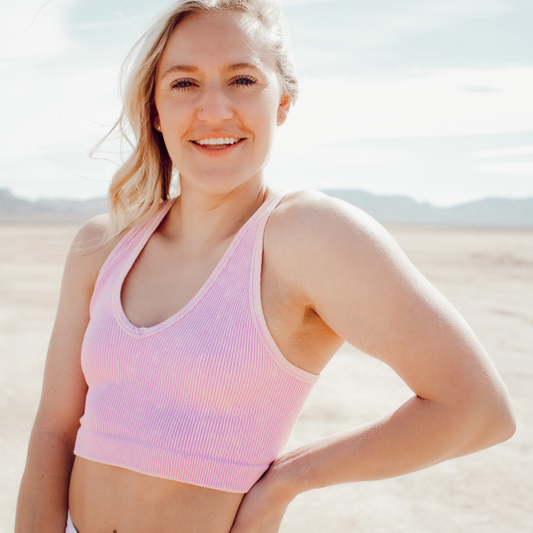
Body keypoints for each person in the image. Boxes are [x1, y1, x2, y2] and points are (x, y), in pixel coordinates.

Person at [15, 1, 515, 532]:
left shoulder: (309, 236)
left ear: (283, 102)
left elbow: (477, 410)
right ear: (155, 108)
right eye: (184, 83)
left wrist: (291, 478)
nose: (214, 110)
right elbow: (54, 432)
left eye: (243, 80)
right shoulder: (102, 244)